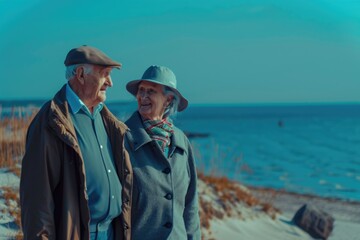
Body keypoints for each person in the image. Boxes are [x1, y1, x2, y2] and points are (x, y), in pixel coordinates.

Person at [20, 45, 133, 240]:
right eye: (105, 74)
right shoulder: (50, 122)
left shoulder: (106, 119)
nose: (110, 83)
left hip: (113, 233)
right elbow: (37, 201)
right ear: (80, 74)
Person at [124, 65, 201, 239]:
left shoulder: (182, 142)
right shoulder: (122, 138)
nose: (143, 96)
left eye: (151, 91)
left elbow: (190, 206)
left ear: (168, 100)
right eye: (141, 90)